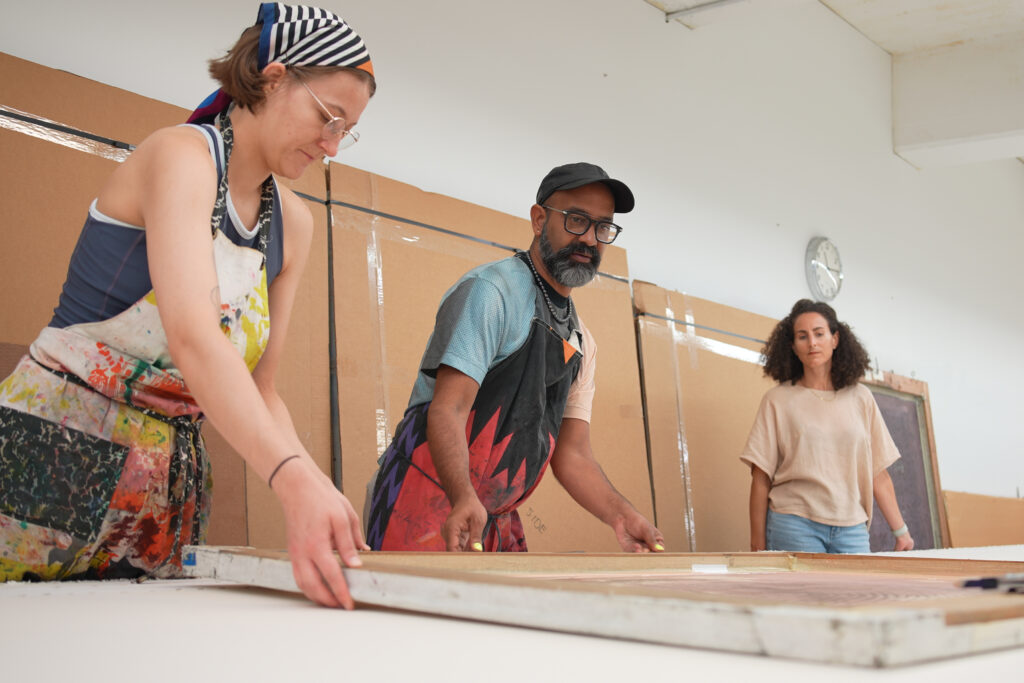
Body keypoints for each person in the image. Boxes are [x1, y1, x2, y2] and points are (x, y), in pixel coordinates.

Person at [0, 3, 375, 608]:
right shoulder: (180, 156)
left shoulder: (294, 225)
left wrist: (319, 491)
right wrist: (291, 477)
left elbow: (262, 387)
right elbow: (194, 336)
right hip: (52, 452)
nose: (332, 146)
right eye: (327, 117)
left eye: (345, 131)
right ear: (274, 77)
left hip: (160, 491)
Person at [364, 163, 665, 553]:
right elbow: (448, 410)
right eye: (576, 220)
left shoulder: (581, 341)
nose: (590, 239)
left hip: (493, 518)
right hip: (424, 502)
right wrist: (462, 497)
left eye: (602, 227)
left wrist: (622, 515)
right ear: (539, 219)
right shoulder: (491, 293)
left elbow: (572, 454)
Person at [740, 299, 915, 554]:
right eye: (802, 336)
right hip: (794, 524)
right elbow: (760, 478)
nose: (812, 342)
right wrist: (757, 546)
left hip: (852, 527)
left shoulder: (861, 397)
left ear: (835, 339)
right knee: (804, 595)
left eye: (819, 334)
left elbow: (878, 472)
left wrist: (901, 532)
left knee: (856, 594)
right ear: (792, 346)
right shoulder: (777, 400)